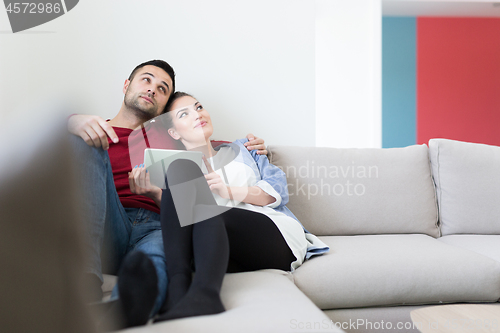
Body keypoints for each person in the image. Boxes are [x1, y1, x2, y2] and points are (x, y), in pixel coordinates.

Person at [67, 60, 270, 329]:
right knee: (86, 142)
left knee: (158, 257)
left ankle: (123, 309)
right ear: (127, 85)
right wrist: (71, 121)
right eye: (146, 80)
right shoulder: (92, 129)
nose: (152, 90)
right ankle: (88, 282)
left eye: (162, 89)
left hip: (157, 224)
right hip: (108, 221)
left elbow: (208, 147)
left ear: (164, 109)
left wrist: (248, 147)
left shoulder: (172, 137)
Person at [127, 92, 329, 322]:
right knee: (180, 169)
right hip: (220, 248)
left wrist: (227, 190)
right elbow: (183, 222)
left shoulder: (245, 148)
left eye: (199, 107)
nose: (198, 114)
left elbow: (278, 191)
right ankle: (178, 290)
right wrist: (155, 194)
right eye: (185, 114)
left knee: (208, 210)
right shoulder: (172, 166)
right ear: (173, 132)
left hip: (274, 238)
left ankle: (205, 295)